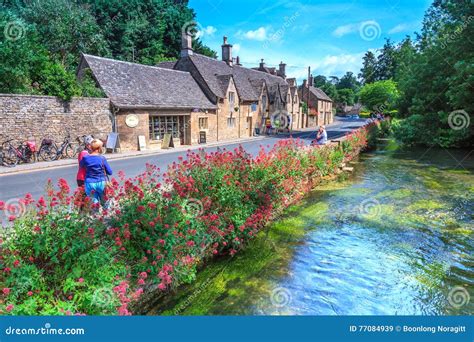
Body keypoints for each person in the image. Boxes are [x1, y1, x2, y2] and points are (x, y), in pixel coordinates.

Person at [80, 139, 113, 205]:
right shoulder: (102, 158)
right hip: (101, 182)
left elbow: (81, 166)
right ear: (99, 148)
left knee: (94, 205)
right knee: (105, 204)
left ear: (91, 147)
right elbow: (110, 172)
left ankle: (96, 214)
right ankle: (105, 214)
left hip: (89, 183)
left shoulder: (85, 158)